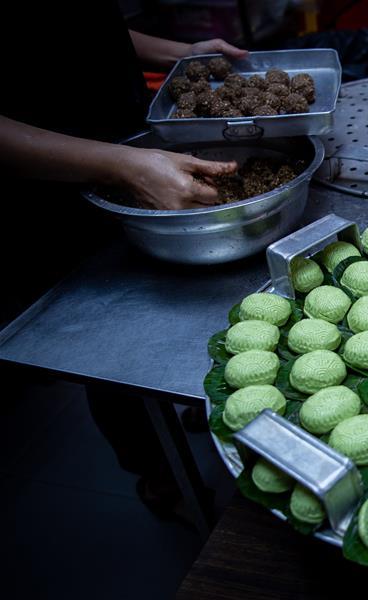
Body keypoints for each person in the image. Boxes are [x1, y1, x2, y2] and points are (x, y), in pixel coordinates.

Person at [0, 1, 247, 524]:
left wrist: (180, 54)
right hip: (42, 190)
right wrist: (117, 166)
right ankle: (156, 474)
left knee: (177, 295)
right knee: (107, 338)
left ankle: (200, 402)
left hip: (131, 142)